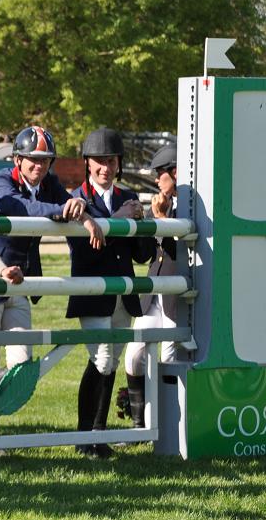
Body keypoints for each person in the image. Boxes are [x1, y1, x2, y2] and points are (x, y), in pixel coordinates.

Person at [0, 126, 105, 426]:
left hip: (22, 282)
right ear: (17, 159)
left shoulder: (50, 183)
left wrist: (82, 210)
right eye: (33, 160)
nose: (39, 166)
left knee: (23, 365)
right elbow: (26, 208)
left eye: (45, 160)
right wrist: (68, 210)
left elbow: (68, 202)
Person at [66, 127, 155, 459]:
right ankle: (85, 434)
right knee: (101, 359)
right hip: (92, 292)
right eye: (99, 161)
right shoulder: (77, 199)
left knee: (111, 361)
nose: (105, 167)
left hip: (123, 293)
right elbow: (86, 251)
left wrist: (140, 224)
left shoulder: (127, 196)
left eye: (111, 161)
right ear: (88, 163)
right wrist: (116, 221)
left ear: (119, 163)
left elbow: (142, 255)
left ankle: (95, 435)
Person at [123, 143, 180, 427]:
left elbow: (180, 248)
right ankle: (138, 423)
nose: (157, 180)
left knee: (168, 356)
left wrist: (162, 221)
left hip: (175, 295)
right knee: (134, 355)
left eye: (161, 173)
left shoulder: (194, 204)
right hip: (152, 290)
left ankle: (164, 423)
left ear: (176, 172)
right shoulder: (161, 201)